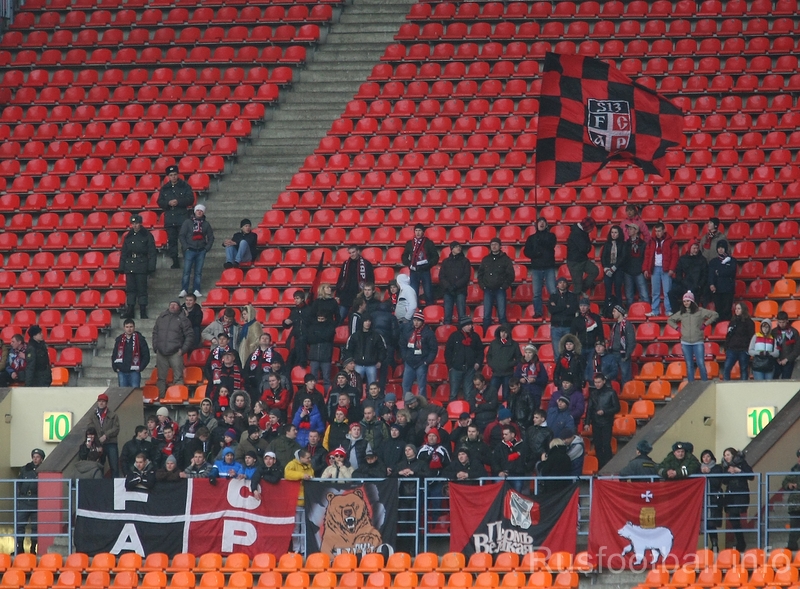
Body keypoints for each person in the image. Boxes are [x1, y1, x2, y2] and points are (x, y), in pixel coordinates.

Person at [667, 291, 718, 382]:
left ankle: (705, 384)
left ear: (692, 301)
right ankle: (691, 385)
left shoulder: (700, 311)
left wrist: (705, 324)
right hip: (685, 342)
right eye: (684, 301)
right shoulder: (681, 312)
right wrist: (677, 328)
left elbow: (715, 315)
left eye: (688, 301)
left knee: (701, 363)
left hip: (698, 341)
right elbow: (670, 320)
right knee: (689, 365)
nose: (686, 303)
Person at [152, 301, 194, 396]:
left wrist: (183, 350)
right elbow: (155, 332)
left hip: (176, 352)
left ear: (179, 307)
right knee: (161, 378)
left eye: (175, 305)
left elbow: (190, 335)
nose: (173, 306)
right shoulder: (161, 317)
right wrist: (155, 346)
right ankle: (160, 398)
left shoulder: (183, 319)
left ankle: (177, 397)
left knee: (178, 378)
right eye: (171, 304)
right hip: (161, 352)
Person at [120, 213, 158, 319]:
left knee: (142, 289)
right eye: (133, 224)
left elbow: (152, 252)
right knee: (130, 289)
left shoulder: (147, 235)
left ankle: (143, 310)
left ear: (140, 224)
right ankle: (130, 309)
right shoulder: (128, 236)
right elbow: (124, 252)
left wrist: (151, 266)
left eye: (136, 223)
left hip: (141, 264)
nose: (135, 225)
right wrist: (122, 266)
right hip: (130, 265)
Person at [157, 165, 194, 269]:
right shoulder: (165, 188)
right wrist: (168, 203)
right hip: (170, 219)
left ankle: (188, 260)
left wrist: (178, 202)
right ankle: (175, 261)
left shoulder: (185, 186)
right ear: (168, 176)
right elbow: (160, 202)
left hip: (182, 218)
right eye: (171, 175)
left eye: (175, 174)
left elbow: (190, 199)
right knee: (172, 241)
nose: (173, 177)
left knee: (185, 240)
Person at [477, 237, 515, 331]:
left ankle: (505, 334)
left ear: (500, 246)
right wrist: (483, 286)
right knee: (486, 315)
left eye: (496, 244)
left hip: (500, 290)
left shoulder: (506, 259)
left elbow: (511, 275)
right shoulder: (486, 259)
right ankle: (486, 334)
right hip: (487, 290)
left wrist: (504, 286)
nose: (494, 246)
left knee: (502, 315)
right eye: (492, 244)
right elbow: (480, 274)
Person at [720, 448, 753, 551]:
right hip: (730, 495)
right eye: (725, 455)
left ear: (733, 455)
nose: (726, 457)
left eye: (728, 455)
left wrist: (739, 471)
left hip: (740, 494)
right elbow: (724, 481)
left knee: (734, 516)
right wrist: (728, 473)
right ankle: (740, 542)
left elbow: (751, 476)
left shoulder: (742, 462)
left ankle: (741, 542)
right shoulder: (725, 466)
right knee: (733, 518)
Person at [524, 217, 558, 319]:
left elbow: (551, 245)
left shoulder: (551, 236)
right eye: (540, 222)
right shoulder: (531, 238)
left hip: (549, 267)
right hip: (536, 268)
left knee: (553, 291)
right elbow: (526, 251)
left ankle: (556, 311)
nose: (541, 224)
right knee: (536, 293)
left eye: (543, 222)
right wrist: (535, 254)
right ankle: (538, 312)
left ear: (546, 225)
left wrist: (541, 241)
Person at [584, 373, 620, 469]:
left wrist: (605, 412)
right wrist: (587, 423)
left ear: (604, 381)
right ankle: (600, 465)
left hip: (607, 422)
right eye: (595, 382)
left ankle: (608, 465)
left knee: (606, 444)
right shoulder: (593, 393)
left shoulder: (611, 393)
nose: (597, 384)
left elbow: (617, 407)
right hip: (596, 422)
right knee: (598, 445)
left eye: (599, 382)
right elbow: (589, 409)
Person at [179, 203, 214, 298]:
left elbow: (211, 237)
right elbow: (182, 235)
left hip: (201, 250)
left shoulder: (206, 224)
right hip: (190, 249)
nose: (199, 212)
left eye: (201, 211)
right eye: (198, 210)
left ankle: (196, 289)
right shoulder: (187, 222)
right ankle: (184, 289)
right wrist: (186, 247)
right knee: (186, 271)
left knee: (198, 272)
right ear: (195, 211)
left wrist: (206, 248)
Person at [644, 222, 679, 317]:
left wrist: (672, 268)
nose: (657, 233)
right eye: (656, 231)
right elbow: (647, 256)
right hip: (655, 268)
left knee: (667, 291)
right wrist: (646, 268)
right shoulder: (652, 242)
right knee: (655, 291)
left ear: (664, 230)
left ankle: (668, 310)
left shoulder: (671, 242)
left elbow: (675, 256)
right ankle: (655, 310)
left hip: (666, 269)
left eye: (659, 231)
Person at [399, 310, 437, 397]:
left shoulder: (428, 333)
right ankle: (407, 404)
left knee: (422, 387)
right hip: (409, 362)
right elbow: (402, 345)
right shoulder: (408, 331)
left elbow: (433, 349)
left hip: (421, 363)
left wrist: (427, 362)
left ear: (422, 322)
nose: (416, 323)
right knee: (405, 386)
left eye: (418, 321)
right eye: (415, 320)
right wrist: (405, 357)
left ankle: (422, 404)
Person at [444, 317, 483, 401]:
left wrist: (478, 363)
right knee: (453, 393)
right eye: (467, 325)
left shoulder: (475, 336)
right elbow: (448, 352)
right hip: (455, 368)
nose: (470, 326)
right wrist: (450, 366)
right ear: (462, 326)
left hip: (470, 369)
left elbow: (480, 351)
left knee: (468, 394)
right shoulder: (454, 336)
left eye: (470, 325)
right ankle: (452, 408)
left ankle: (468, 408)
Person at [402, 223, 439, 306]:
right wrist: (409, 264)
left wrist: (428, 265)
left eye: (419, 230)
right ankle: (416, 310)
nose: (418, 233)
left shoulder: (428, 243)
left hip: (425, 270)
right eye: (416, 230)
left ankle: (430, 310)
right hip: (414, 271)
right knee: (414, 292)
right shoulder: (409, 243)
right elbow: (404, 256)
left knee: (428, 292)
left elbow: (435, 257)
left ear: (423, 232)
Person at [344, 315, 387, 387]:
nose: (367, 323)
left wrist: (380, 360)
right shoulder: (355, 336)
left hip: (372, 365)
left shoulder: (376, 336)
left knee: (373, 386)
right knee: (356, 386)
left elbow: (382, 349)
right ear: (362, 322)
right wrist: (351, 362)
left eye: (369, 321)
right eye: (365, 321)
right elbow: (349, 349)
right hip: (358, 364)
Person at [336, 245, 375, 324]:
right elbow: (340, 279)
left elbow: (371, 280)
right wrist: (338, 294)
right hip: (346, 296)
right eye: (350, 253)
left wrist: (367, 292)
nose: (352, 254)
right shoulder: (345, 264)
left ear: (358, 251)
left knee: (359, 319)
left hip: (359, 295)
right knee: (340, 318)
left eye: (353, 252)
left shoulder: (366, 264)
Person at [16, 448, 44, 555]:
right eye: (34, 457)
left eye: (38, 457)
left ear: (41, 459)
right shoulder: (25, 469)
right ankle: (19, 548)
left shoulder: (43, 469)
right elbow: (18, 484)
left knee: (35, 527)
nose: (35, 459)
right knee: (20, 525)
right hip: (24, 501)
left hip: (36, 501)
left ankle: (33, 549)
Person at [669, 239, 708, 312]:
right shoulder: (683, 259)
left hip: (697, 287)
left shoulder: (702, 260)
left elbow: (705, 275)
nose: (696, 250)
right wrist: (683, 283)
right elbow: (678, 274)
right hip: (685, 285)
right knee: (671, 293)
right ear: (690, 248)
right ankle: (676, 313)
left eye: (697, 248)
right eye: (694, 248)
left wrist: (699, 286)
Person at [112, 319, 151, 388]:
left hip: (134, 372)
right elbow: (114, 354)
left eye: (131, 327)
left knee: (135, 392)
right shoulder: (119, 339)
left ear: (134, 327)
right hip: (122, 371)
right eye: (127, 327)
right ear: (124, 328)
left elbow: (146, 355)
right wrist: (116, 368)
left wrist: (140, 368)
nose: (129, 329)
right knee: (123, 393)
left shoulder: (140, 339)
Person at [89, 393, 121, 477]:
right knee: (99, 466)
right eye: (99, 401)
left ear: (106, 403)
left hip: (111, 443)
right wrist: (97, 439)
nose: (101, 403)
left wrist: (106, 435)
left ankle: (115, 483)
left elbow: (116, 428)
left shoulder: (113, 415)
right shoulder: (93, 415)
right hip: (98, 443)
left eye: (103, 401)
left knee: (114, 466)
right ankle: (100, 482)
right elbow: (90, 428)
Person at [566, 217, 599, 297]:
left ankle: (582, 289)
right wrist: (588, 246)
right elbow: (584, 248)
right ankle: (575, 302)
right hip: (574, 262)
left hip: (583, 259)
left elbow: (586, 248)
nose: (592, 230)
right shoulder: (576, 234)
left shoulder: (582, 231)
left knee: (594, 271)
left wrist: (587, 247)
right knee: (577, 286)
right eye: (592, 228)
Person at [440, 241, 471, 325]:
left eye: (459, 246)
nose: (459, 248)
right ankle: (447, 330)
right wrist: (448, 286)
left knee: (462, 316)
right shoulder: (446, 261)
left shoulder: (465, 261)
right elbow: (442, 276)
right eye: (456, 247)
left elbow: (466, 276)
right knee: (447, 316)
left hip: (460, 291)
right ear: (452, 249)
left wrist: (455, 286)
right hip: (448, 291)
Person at [486, 323, 522, 396]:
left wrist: (509, 364)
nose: (503, 334)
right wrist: (492, 365)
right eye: (502, 332)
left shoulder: (514, 344)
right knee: (492, 394)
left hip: (508, 374)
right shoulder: (493, 343)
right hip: (496, 373)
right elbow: (488, 356)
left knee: (506, 395)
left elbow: (519, 358)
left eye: (505, 332)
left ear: (508, 333)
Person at [699, 449, 724, 551]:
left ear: (712, 458)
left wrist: (709, 473)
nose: (706, 459)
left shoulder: (717, 468)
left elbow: (717, 482)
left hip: (713, 499)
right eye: (704, 457)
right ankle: (709, 546)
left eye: (708, 456)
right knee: (704, 522)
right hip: (702, 499)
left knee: (711, 523)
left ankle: (714, 545)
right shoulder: (699, 469)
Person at [708, 239, 736, 323]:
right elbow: (711, 274)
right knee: (719, 310)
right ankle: (719, 326)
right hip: (717, 289)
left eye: (722, 248)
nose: (720, 249)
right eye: (719, 248)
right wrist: (711, 284)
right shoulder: (713, 262)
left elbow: (731, 272)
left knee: (727, 309)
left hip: (728, 289)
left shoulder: (732, 260)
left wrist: (719, 272)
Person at [492, 425, 528, 492]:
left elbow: (527, 459)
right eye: (503, 434)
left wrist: (524, 468)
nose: (504, 436)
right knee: (499, 493)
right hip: (503, 474)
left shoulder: (522, 445)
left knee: (517, 495)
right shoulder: (499, 447)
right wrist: (499, 471)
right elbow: (494, 461)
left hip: (518, 475)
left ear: (512, 435)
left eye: (506, 434)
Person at [601, 225, 628, 311]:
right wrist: (605, 268)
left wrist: (615, 267)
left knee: (617, 289)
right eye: (612, 232)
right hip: (608, 269)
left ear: (619, 234)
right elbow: (603, 257)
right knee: (608, 290)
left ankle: (619, 308)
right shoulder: (607, 244)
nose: (613, 234)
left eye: (615, 232)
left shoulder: (623, 244)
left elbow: (623, 257)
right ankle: (607, 310)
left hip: (618, 269)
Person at [622, 223, 649, 305]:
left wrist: (644, 269)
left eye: (631, 229)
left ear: (636, 231)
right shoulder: (626, 244)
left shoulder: (643, 244)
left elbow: (646, 258)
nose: (628, 231)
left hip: (639, 271)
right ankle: (631, 311)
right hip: (628, 271)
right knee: (629, 295)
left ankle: (647, 309)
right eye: (628, 229)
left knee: (644, 294)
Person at [549, 277, 579, 351]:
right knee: (557, 352)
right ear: (557, 285)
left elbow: (572, 310)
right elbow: (552, 310)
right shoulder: (553, 296)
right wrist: (565, 306)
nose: (562, 284)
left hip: (568, 327)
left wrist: (557, 307)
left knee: (569, 351)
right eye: (560, 282)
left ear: (567, 284)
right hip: (556, 327)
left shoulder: (573, 296)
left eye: (564, 282)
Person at [572, 297, 604, 365]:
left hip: (592, 347)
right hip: (581, 347)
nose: (582, 308)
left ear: (588, 307)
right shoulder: (576, 320)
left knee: (591, 366)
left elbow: (600, 333)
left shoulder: (596, 318)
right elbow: (573, 334)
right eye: (581, 305)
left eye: (585, 305)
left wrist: (599, 344)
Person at [609, 304, 636, 385]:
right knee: (612, 376)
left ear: (620, 312)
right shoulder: (614, 325)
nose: (613, 313)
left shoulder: (627, 325)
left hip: (623, 355)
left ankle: (626, 391)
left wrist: (627, 355)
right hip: (613, 353)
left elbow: (631, 341)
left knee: (625, 377)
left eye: (614, 311)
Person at [781, 449, 800, 551]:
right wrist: (789, 485)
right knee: (794, 527)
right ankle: (792, 547)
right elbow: (785, 482)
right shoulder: (794, 469)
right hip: (795, 504)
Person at [773, 311, 799, 379]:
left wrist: (787, 359)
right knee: (774, 380)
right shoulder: (774, 332)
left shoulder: (794, 332)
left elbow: (797, 349)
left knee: (786, 381)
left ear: (787, 321)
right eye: (780, 322)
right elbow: (771, 346)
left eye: (783, 322)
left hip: (788, 361)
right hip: (776, 360)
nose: (781, 324)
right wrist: (776, 358)